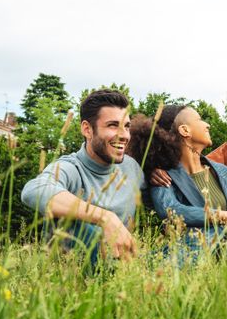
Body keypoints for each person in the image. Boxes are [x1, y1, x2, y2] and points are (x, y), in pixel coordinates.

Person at [21, 89, 144, 263]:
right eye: (113, 125)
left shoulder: (131, 167)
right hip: (76, 273)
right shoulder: (70, 167)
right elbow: (34, 190)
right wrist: (105, 217)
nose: (124, 135)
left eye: (126, 126)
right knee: (73, 223)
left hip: (124, 271)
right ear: (87, 129)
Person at [128, 105, 227, 261]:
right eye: (199, 119)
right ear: (185, 130)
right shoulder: (162, 176)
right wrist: (224, 216)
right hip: (198, 251)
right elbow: (170, 210)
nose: (207, 124)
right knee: (208, 235)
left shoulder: (225, 172)